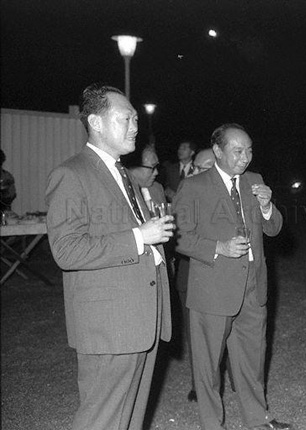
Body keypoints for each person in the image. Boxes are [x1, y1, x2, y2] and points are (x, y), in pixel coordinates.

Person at [45, 83, 174, 430]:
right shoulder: (71, 174)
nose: (135, 125)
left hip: (139, 319)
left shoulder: (124, 176)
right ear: (96, 123)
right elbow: (66, 249)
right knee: (101, 421)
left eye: (135, 118)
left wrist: (152, 239)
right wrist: (139, 236)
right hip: (109, 325)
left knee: (129, 420)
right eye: (126, 118)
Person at [173, 123, 290, 430]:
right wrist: (218, 247)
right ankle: (212, 424)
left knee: (252, 360)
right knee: (208, 366)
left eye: (249, 150)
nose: (245, 157)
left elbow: (275, 227)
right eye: (238, 150)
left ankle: (258, 419)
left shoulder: (255, 181)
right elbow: (179, 237)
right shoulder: (195, 187)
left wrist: (267, 207)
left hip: (253, 286)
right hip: (213, 289)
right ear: (218, 151)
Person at [174, 146, 217, 402]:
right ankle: (198, 385)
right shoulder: (188, 190)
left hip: (224, 277)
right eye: (197, 167)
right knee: (197, 336)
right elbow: (180, 234)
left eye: (206, 167)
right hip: (192, 275)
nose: (199, 172)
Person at [127, 145, 165, 213]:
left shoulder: (157, 189)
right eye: (152, 167)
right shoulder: (122, 191)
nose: (156, 172)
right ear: (133, 168)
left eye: (157, 166)